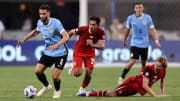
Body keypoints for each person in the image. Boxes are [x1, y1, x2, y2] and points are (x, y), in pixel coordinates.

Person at [17, 4, 69, 98]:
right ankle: (47, 86)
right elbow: (36, 31)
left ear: (48, 13)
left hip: (61, 53)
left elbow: (66, 36)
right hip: (49, 52)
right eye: (40, 14)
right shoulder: (39, 22)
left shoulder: (56, 23)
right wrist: (24, 39)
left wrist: (56, 45)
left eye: (44, 14)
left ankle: (57, 91)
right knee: (38, 71)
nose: (42, 16)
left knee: (55, 76)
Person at [77, 56, 168, 97]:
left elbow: (162, 82)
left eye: (158, 66)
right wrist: (155, 96)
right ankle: (87, 94)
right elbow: (145, 85)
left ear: (162, 67)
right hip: (131, 84)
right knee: (111, 94)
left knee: (114, 94)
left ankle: (95, 92)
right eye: (156, 64)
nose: (156, 66)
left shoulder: (163, 71)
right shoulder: (148, 68)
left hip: (136, 89)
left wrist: (162, 93)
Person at [118, 2, 161, 84]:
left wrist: (156, 41)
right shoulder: (130, 18)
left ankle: (142, 80)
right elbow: (127, 30)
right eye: (137, 8)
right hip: (135, 43)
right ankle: (121, 77)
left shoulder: (148, 18)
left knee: (144, 64)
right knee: (132, 62)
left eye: (140, 7)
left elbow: (152, 30)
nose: (138, 9)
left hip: (145, 44)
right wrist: (124, 40)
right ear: (134, 9)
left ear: (143, 8)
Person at [68, 16, 105, 94]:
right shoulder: (82, 29)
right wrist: (66, 41)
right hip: (79, 51)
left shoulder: (101, 32)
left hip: (90, 53)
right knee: (77, 74)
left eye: (93, 25)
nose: (91, 26)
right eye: (90, 24)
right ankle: (73, 69)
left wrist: (92, 45)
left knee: (89, 73)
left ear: (97, 25)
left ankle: (82, 89)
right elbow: (71, 32)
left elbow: (102, 46)